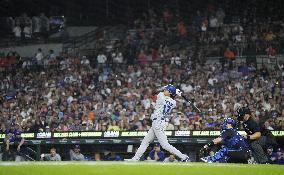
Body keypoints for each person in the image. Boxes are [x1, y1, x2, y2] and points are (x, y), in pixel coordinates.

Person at [127, 84, 190, 162]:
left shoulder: (161, 96)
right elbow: (170, 96)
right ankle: (135, 158)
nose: (164, 90)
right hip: (159, 122)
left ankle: (183, 157)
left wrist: (175, 91)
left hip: (158, 122)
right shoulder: (173, 102)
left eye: (167, 90)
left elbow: (156, 92)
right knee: (145, 141)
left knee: (165, 145)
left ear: (170, 93)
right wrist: (176, 93)